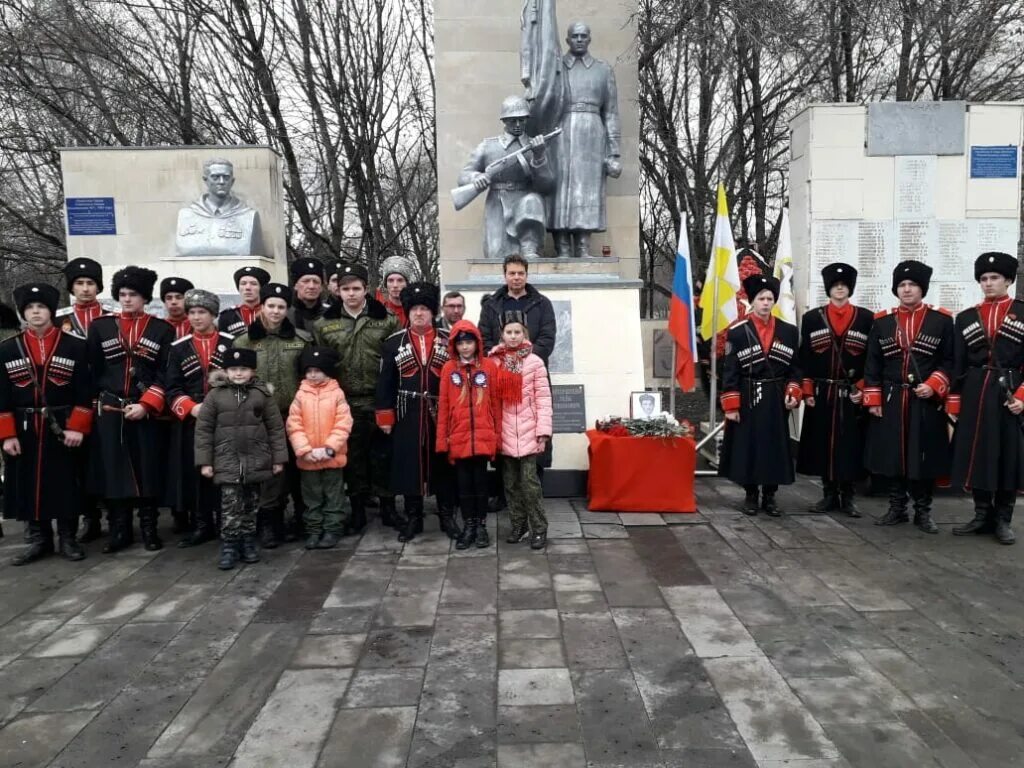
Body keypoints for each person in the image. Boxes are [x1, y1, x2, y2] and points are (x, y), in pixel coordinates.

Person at [0, 283, 93, 565]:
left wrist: (78, 426)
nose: (36, 312)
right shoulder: (7, 349)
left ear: (51, 311)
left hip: (62, 423)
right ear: (23, 313)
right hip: (24, 425)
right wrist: (6, 435)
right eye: (30, 308)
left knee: (65, 481)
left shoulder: (75, 345)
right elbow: (1, 395)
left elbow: (85, 390)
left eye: (41, 307)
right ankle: (39, 539)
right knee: (28, 482)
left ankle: (68, 537)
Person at [87, 266, 174, 552]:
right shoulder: (100, 327)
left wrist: (147, 404)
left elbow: (166, 373)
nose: (127, 300)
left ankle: (149, 528)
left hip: (144, 407)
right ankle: (119, 529)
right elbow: (93, 369)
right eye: (122, 294)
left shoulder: (162, 329)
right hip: (111, 408)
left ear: (144, 297)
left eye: (133, 295)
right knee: (113, 469)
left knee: (146, 467)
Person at [864, 261, 953, 533]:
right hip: (892, 397)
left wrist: (934, 385)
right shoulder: (883, 321)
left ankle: (923, 511)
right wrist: (874, 399)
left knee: (923, 456)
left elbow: (950, 361)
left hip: (924, 400)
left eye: (912, 284)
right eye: (901, 285)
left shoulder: (941, 320)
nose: (906, 289)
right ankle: (896, 507)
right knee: (894, 455)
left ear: (922, 288)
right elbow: (873, 364)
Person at [312, 263, 398, 531]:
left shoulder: (386, 319)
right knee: (353, 459)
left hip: (379, 398)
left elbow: (394, 362)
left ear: (366, 289)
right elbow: (323, 365)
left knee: (383, 456)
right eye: (346, 289)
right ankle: (358, 510)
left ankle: (388, 507)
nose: (351, 294)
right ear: (338, 290)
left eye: (356, 288)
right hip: (345, 401)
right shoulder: (325, 324)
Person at [948, 252, 1023, 545]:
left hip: (1009, 390)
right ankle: (981, 514)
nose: (988, 283)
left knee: (1006, 455)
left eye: (994, 278)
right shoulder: (967, 318)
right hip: (975, 389)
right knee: (976, 453)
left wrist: (1022, 397)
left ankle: (1003, 519)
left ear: (1008, 280)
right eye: (983, 279)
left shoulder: (1022, 312)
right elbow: (958, 363)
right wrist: (954, 400)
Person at [376, 282, 459, 542]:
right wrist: (385, 415)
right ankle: (414, 516)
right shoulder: (393, 343)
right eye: (414, 309)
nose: (419, 314)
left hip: (441, 411)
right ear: (408, 312)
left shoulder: (449, 339)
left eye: (424, 308)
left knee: (443, 463)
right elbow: (385, 382)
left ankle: (446, 515)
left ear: (432, 311)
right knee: (409, 464)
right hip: (406, 412)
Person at [232, 282, 312, 547]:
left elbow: (309, 375)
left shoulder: (301, 339)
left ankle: (303, 519)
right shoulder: (245, 341)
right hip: (261, 417)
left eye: (281, 307)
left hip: (296, 415)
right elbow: (237, 379)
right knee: (270, 473)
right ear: (262, 307)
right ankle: (270, 523)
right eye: (271, 306)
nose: (276, 311)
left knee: (301, 468)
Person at [195, 348, 288, 570]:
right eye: (234, 369)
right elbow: (204, 431)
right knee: (229, 506)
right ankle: (230, 545)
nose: (238, 373)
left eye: (243, 369)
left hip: (256, 460)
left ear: (252, 371)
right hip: (226, 460)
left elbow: (275, 428)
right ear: (226, 371)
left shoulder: (262, 394)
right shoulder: (215, 395)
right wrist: (205, 462)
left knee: (251, 504)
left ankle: (248, 541)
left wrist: (278, 459)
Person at [719, 274, 803, 516]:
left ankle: (770, 495)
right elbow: (730, 371)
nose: (766, 303)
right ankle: (750, 494)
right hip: (747, 395)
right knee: (749, 445)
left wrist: (793, 391)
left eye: (769, 298)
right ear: (752, 301)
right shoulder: (737, 332)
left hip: (776, 397)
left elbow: (795, 369)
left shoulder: (787, 331)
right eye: (761, 298)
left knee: (774, 446)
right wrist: (732, 406)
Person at [797, 263, 874, 516]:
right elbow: (804, 357)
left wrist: (862, 387)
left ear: (849, 289)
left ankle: (848, 496)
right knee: (822, 444)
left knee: (850, 446)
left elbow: (871, 358)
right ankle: (828, 494)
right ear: (828, 289)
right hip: (822, 392)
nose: (839, 289)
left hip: (850, 394)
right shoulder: (812, 318)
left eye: (843, 286)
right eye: (834, 286)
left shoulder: (865, 318)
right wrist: (806, 390)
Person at [165, 289, 234, 548]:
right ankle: (202, 524)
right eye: (192, 312)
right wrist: (191, 408)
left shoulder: (230, 343)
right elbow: (171, 388)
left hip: (226, 419)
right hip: (192, 419)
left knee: (225, 471)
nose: (196, 317)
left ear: (213, 314)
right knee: (196, 473)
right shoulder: (178, 348)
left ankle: (228, 522)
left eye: (201, 312)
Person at [550, 23, 622, 259]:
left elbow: (611, 112)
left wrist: (613, 152)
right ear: (568, 39)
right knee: (560, 188)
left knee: (588, 190)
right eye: (575, 36)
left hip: (593, 133)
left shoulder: (603, 70)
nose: (579, 40)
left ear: (589, 39)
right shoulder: (555, 67)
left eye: (583, 36)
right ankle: (561, 246)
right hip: (561, 129)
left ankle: (582, 246)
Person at [457, 95, 555, 259]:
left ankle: (529, 246)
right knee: (496, 255)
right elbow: (463, 175)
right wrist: (476, 177)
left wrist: (539, 157)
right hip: (498, 204)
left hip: (525, 200)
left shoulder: (535, 146)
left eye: (522, 120)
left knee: (533, 202)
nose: (518, 125)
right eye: (512, 120)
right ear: (504, 121)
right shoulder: (488, 146)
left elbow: (547, 185)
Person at [488, 311, 552, 549]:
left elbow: (543, 398)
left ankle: (539, 528)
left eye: (517, 332)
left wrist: (543, 430)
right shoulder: (494, 361)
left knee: (530, 484)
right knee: (510, 485)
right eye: (508, 332)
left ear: (524, 334)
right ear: (502, 335)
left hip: (528, 431)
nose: (513, 337)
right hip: (504, 432)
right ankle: (518, 524)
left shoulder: (534, 362)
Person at [57, 257, 109, 542]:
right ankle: (89, 517)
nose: (86, 289)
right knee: (79, 462)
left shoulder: (110, 315)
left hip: (104, 397)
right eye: (80, 283)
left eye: (90, 283)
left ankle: (114, 514)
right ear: (72, 287)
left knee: (105, 459)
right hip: (72, 399)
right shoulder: (59, 318)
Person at [437, 320, 502, 549]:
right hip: (459, 437)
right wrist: (442, 440)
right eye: (460, 343)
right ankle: (469, 525)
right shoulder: (448, 369)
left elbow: (495, 403)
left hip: (483, 437)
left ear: (477, 343)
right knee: (463, 486)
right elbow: (444, 406)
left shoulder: (489, 367)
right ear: (454, 345)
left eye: (469, 342)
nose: (465, 347)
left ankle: (482, 525)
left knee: (481, 484)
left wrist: (497, 436)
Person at [287, 346, 353, 550]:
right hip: (308, 459)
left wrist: (330, 448)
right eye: (309, 371)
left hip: (331, 457)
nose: (313, 375)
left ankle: (332, 528)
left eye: (317, 370)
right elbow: (293, 424)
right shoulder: (300, 395)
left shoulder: (337, 393)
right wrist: (304, 450)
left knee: (334, 496)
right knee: (311, 497)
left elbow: (343, 423)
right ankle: (314, 530)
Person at [479, 254, 557, 365]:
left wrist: (523, 358)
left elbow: (547, 339)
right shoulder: (491, 305)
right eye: (512, 273)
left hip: (532, 370)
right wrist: (503, 359)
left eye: (521, 273)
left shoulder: (542, 303)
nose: (516, 277)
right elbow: (484, 339)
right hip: (499, 371)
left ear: (526, 275)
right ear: (505, 275)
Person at [219, 266, 270, 336]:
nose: (247, 288)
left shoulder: (272, 313)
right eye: (243, 283)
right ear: (238, 288)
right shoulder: (227, 316)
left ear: (262, 288)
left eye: (253, 284)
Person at [289, 258, 327, 332]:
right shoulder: (283, 314)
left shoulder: (331, 314)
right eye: (306, 281)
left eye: (316, 282)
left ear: (321, 287)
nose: (311, 286)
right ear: (296, 285)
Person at [376, 255, 414, 327]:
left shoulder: (416, 311)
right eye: (390, 280)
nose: (395, 285)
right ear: (385, 284)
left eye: (400, 280)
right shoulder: (377, 311)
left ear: (407, 283)